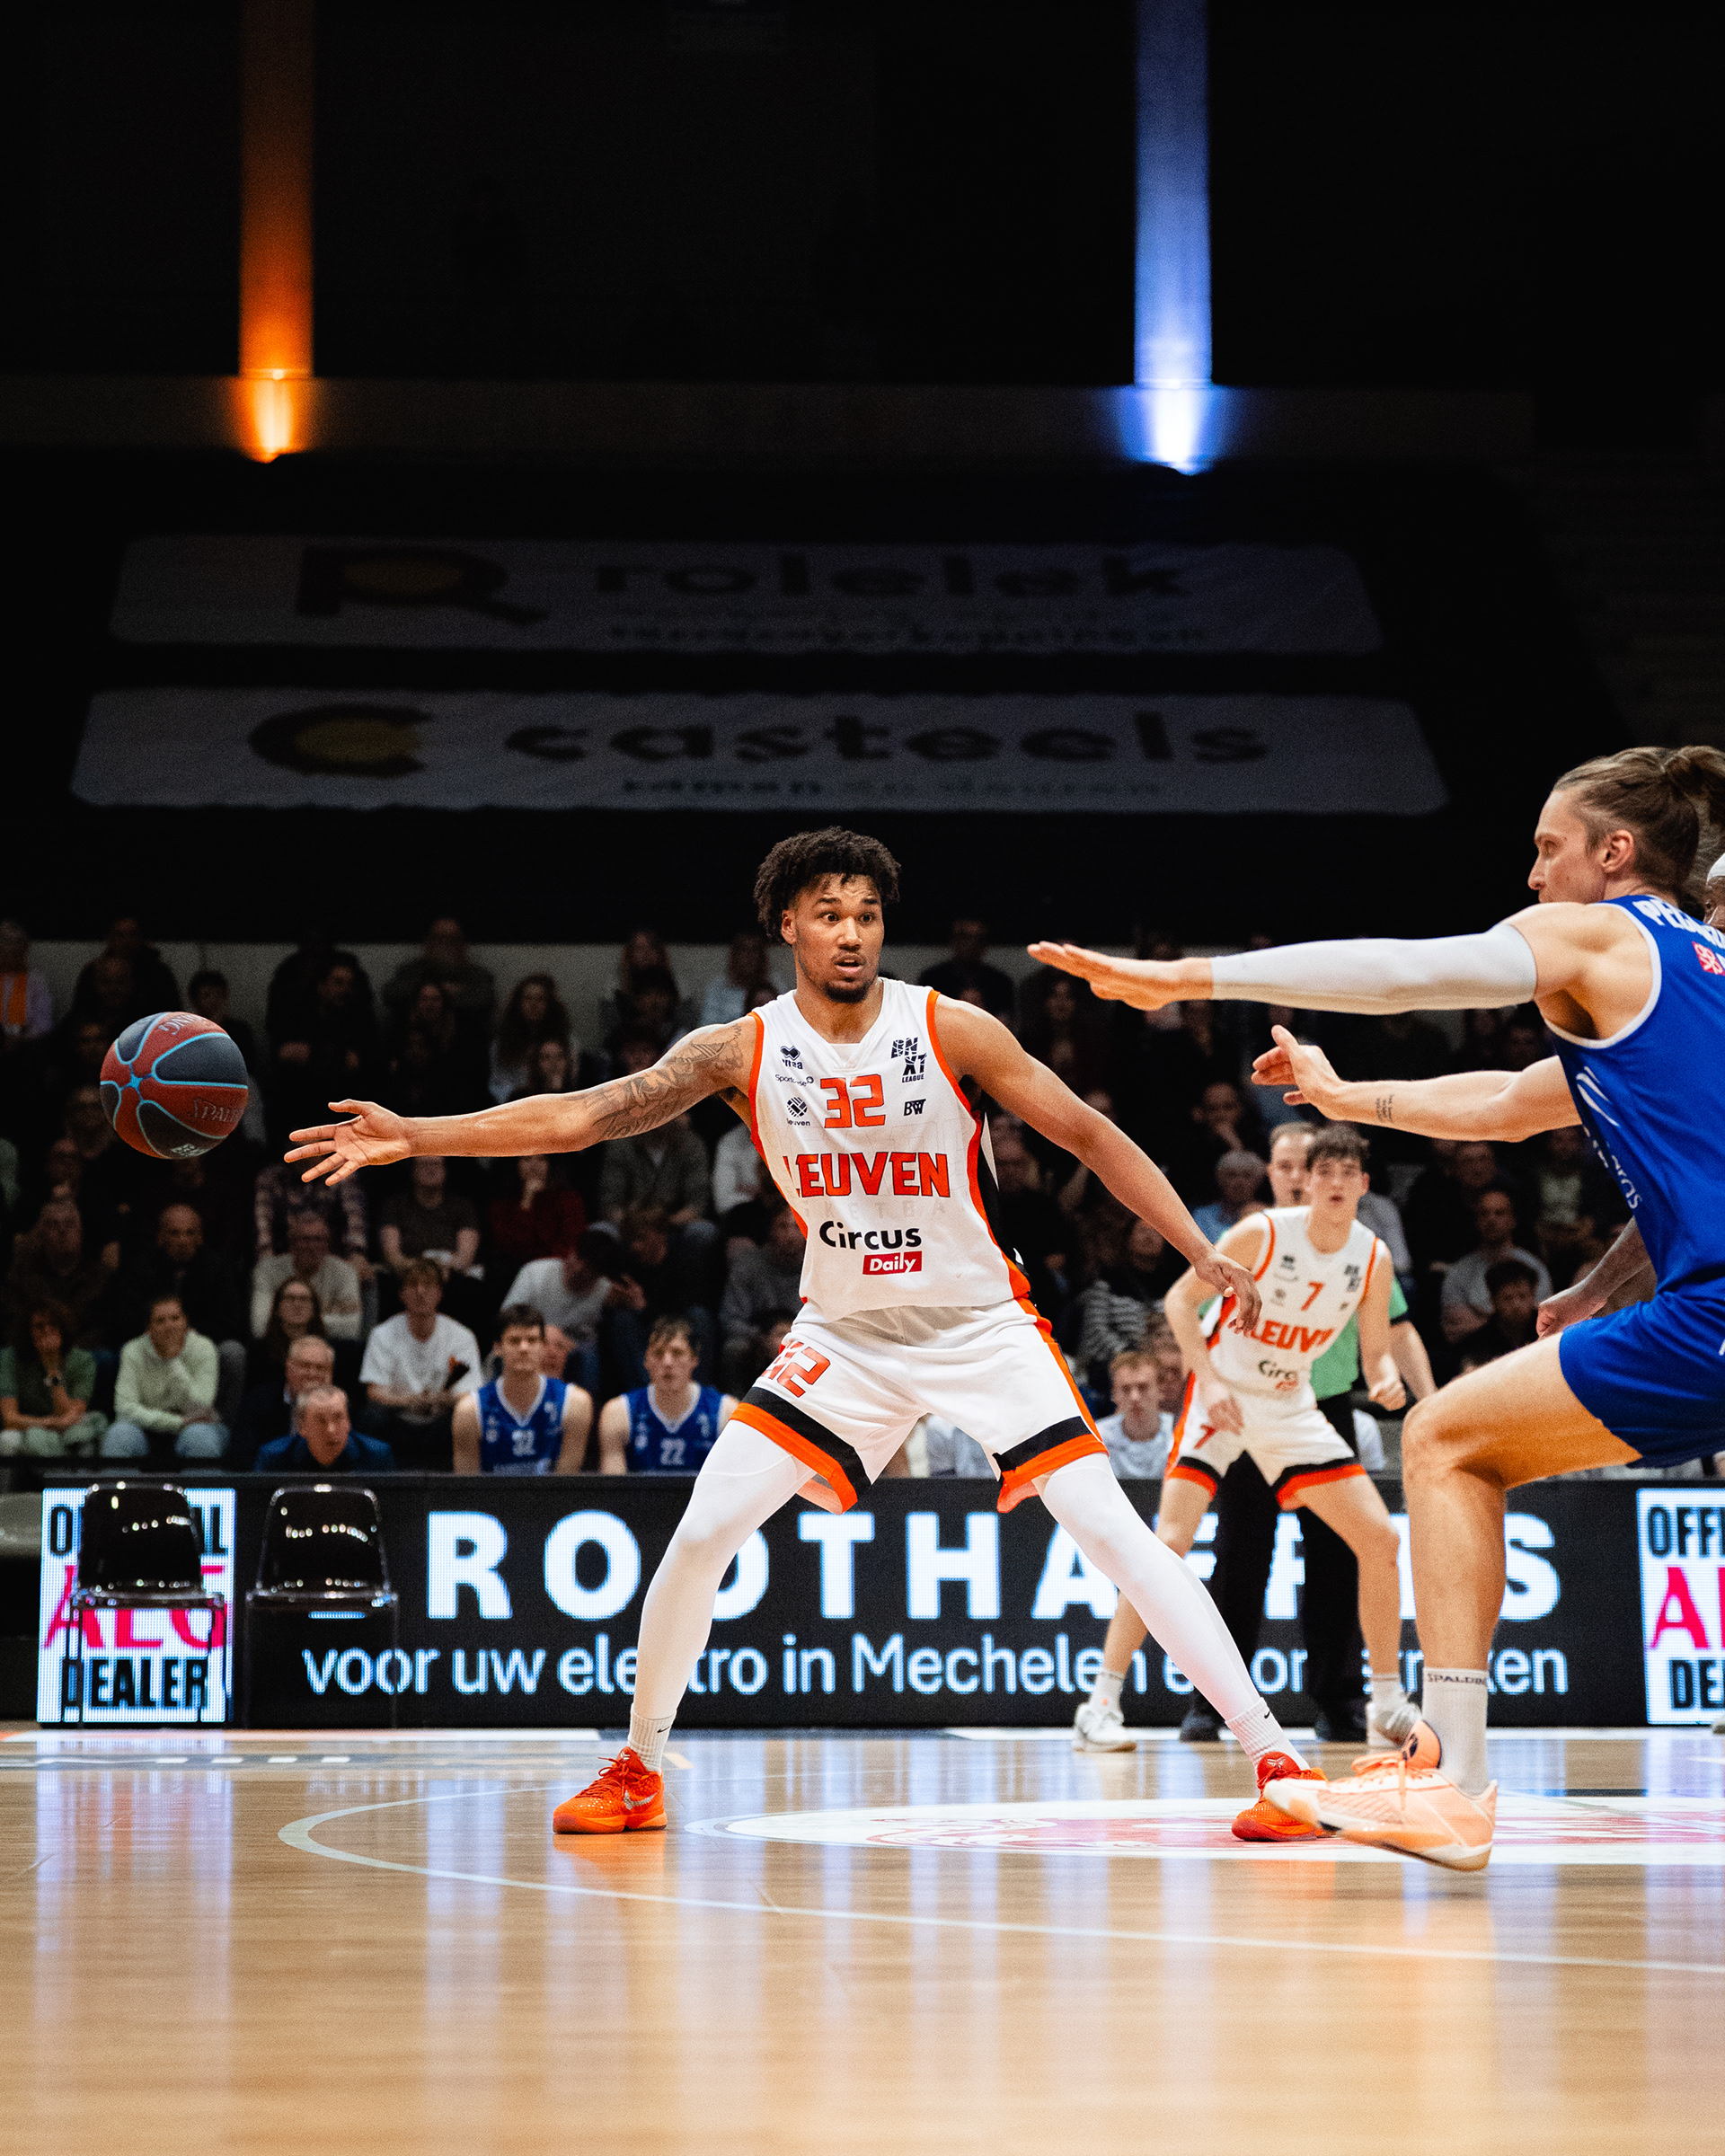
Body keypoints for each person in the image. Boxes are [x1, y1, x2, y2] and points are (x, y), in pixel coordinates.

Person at [288, 824, 1314, 1844]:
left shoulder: (951, 1028)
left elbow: (1088, 1133)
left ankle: (1277, 1759)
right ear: (789, 926)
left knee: (1114, 1532)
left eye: (867, 914)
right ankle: (639, 1768)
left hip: (979, 1324)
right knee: (703, 1532)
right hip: (847, 1335)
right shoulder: (741, 1048)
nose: (852, 932)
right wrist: (417, 1135)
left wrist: (1197, 1246)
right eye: (830, 914)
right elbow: (586, 1116)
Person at [1035, 740, 1725, 1868]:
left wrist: (1189, 979)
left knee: (1445, 1439)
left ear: (1615, 852)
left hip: (1713, 1313)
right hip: (1696, 1301)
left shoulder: (1606, 936)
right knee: (1459, 1441)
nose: (1533, 874)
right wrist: (1345, 1097)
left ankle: (1451, 1779)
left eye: (1549, 848)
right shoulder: (1700, 969)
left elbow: (1408, 973)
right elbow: (1509, 1104)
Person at [1070, 1128, 1413, 1772]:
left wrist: (1388, 1380)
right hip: (1219, 1396)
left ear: (1365, 1186)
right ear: (1304, 1180)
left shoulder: (1373, 1258)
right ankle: (1101, 1703)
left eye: (1349, 1172)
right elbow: (1180, 1301)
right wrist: (1208, 1381)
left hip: (1289, 1404)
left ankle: (1388, 1701)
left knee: (1379, 1538)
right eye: (1325, 1170)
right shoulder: (1261, 1234)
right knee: (1168, 1544)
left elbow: (1375, 1357)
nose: (1336, 1182)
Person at [113, 1203, 248, 1424]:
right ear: (160, 1237)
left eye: (190, 1233)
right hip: (153, 1345)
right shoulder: (141, 1267)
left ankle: (222, 1426)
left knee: (234, 1353)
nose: (183, 1240)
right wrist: (161, 1335)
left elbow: (232, 1321)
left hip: (202, 1346)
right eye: (175, 1233)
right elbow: (126, 1318)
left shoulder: (218, 1267)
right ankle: (142, 1418)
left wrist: (187, 1335)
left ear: (200, 1237)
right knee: (124, 1352)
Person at [358, 1257, 482, 1467]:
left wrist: (439, 1400)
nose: (420, 1292)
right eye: (413, 1285)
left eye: (428, 1285)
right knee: (371, 1417)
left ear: (440, 1293)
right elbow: (375, 1392)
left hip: (441, 1421)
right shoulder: (382, 1334)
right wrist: (412, 1400)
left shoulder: (461, 1336)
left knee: (467, 1415)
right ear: (401, 1294)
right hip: (398, 1419)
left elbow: (470, 1394)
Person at [452, 1303, 592, 1474]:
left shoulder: (575, 1402)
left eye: (532, 1341)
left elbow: (566, 1485)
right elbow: (468, 1487)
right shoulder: (470, 1410)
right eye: (514, 1341)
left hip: (552, 1493)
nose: (524, 1348)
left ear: (542, 1346)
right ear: (497, 1348)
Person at [596, 1316, 736, 1473]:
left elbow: (734, 1483)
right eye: (658, 1353)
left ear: (694, 1360)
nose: (667, 1362)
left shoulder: (726, 1412)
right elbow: (614, 1487)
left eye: (677, 1353)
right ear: (646, 1361)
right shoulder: (619, 1412)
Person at [104, 1294, 229, 1462]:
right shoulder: (133, 1350)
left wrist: (172, 1361)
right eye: (160, 1321)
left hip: (197, 1426)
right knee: (119, 1435)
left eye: (175, 1318)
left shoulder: (203, 1347)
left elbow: (201, 1406)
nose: (169, 1326)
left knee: (199, 1437)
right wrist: (177, 1422)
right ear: (149, 1328)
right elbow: (124, 1409)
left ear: (185, 1322)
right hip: (145, 1428)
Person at [1440, 1188, 1552, 1352]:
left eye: (1499, 1213)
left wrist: (1484, 1319)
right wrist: (1499, 1324)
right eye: (1484, 1214)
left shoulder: (1535, 1268)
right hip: (1479, 1354)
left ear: (1512, 1220)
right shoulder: (1458, 1272)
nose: (1491, 1219)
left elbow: (1543, 1324)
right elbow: (1455, 1330)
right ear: (1476, 1221)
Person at [0, 1299, 107, 1459]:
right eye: (39, 1326)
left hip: (67, 1425)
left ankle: (77, 1476)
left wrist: (52, 1367)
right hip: (27, 1425)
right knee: (7, 1440)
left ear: (62, 1328)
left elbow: (69, 1413)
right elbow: (10, 1419)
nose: (47, 1330)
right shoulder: (8, 1358)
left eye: (53, 1325)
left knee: (87, 1433)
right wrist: (48, 1423)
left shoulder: (83, 1360)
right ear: (28, 1331)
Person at [718, 1203, 808, 1389]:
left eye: (797, 1226)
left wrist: (788, 1337)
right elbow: (730, 1319)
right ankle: (736, 1403)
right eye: (783, 1226)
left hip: (803, 1340)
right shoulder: (747, 1265)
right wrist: (762, 1337)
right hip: (756, 1339)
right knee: (734, 1348)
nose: (790, 1235)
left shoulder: (817, 1271)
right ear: (771, 1231)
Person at [251, 1212, 363, 1341]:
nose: (312, 1247)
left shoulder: (345, 1272)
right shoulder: (268, 1270)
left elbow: (351, 1328)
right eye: (305, 1240)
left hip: (327, 1345)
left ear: (327, 1245)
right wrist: (325, 1316)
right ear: (292, 1244)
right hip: (279, 1345)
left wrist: (292, 1319)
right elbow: (260, 1326)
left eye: (318, 1240)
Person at [235, 1330, 341, 1467]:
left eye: (320, 1368)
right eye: (305, 1366)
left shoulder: (343, 1408)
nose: (312, 1374)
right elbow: (242, 1457)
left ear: (330, 1374)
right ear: (289, 1369)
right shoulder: (258, 1402)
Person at [256, 1382, 396, 1475]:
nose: (331, 1429)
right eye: (320, 1420)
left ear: (348, 1422)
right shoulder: (274, 1458)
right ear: (302, 1427)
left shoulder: (378, 1456)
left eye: (338, 1418)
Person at [383, 918, 495, 1033]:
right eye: (439, 939)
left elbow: (484, 1000)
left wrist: (433, 997)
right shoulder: (412, 970)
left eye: (452, 940)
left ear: (463, 946)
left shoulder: (477, 974)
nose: (445, 946)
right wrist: (441, 990)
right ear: (428, 944)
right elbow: (391, 995)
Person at [378, 1156, 482, 1279]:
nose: (431, 1170)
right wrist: (421, 1270)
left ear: (445, 1170)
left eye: (436, 1165)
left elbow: (465, 1256)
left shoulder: (462, 1206)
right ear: (413, 1170)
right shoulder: (394, 1206)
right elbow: (393, 1255)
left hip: (452, 1276)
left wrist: (438, 1270)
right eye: (424, 1165)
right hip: (406, 1276)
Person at [488, 1154, 587, 1269]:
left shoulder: (568, 1199)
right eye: (527, 1159)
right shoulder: (502, 1202)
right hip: (513, 1268)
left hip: (556, 1268)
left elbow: (571, 1244)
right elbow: (508, 1245)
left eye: (541, 1159)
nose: (534, 1166)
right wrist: (527, 1202)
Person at [1092, 1346, 1172, 1479]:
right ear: (1114, 1394)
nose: (1134, 1397)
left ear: (1160, 1390)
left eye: (1143, 1387)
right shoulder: (1098, 1437)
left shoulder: (1180, 1432)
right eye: (1125, 1389)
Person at [489, 974, 571, 1102]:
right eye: (528, 998)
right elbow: (496, 1086)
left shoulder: (566, 1044)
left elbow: (573, 1083)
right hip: (514, 1105)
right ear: (518, 1003)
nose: (533, 1004)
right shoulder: (502, 1045)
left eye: (540, 999)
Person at [919, 918, 1016, 1021]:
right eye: (965, 937)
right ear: (954, 940)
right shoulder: (933, 980)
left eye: (979, 939)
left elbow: (1005, 1022)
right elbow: (924, 1018)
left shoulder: (1000, 983)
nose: (971, 944)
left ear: (985, 944)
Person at [1457, 1258, 1542, 1368]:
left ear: (1533, 1297)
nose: (1516, 1305)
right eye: (1507, 1298)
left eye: (1522, 1296)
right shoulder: (1478, 1343)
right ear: (1493, 1301)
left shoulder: (1550, 1332)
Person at [700, 931, 777, 1028]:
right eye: (744, 950)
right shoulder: (718, 988)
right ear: (734, 954)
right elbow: (707, 1027)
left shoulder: (775, 983)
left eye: (754, 950)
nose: (749, 956)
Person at [1190, 1150, 1267, 1242]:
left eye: (1247, 1176)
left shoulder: (1266, 1216)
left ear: (1258, 1181)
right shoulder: (1203, 1216)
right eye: (1232, 1175)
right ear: (1221, 1180)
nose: (1239, 1183)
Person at [0, 921, 53, 1047]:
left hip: (26, 1046)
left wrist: (18, 1039)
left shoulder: (35, 982)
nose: (14, 947)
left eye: (18, 942)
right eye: (7, 942)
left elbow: (44, 1024)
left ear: (26, 948)